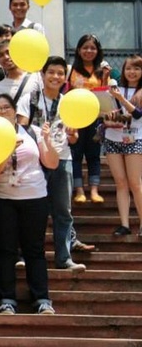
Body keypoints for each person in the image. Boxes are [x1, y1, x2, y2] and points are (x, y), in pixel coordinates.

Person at [0, 94, 58, 315]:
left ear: (14, 110)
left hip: (35, 197)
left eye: (6, 107)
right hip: (4, 198)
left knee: (35, 250)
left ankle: (42, 299)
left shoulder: (32, 132)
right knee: (5, 250)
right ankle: (6, 298)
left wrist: (47, 140)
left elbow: (52, 163)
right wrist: (7, 148)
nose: (2, 112)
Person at [17, 56, 85, 271]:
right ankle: (24, 255)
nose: (55, 77)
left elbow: (73, 138)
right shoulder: (29, 98)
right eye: (51, 72)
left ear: (65, 78)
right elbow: (21, 127)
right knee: (30, 210)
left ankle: (64, 258)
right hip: (35, 161)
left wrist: (73, 135)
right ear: (42, 74)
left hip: (62, 158)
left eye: (60, 73)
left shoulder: (68, 102)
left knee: (63, 211)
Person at [68, 34, 110, 204]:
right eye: (85, 47)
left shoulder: (102, 70)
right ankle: (79, 190)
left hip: (95, 118)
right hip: (75, 118)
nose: (89, 51)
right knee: (76, 154)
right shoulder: (71, 69)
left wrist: (105, 78)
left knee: (93, 155)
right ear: (78, 50)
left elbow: (105, 94)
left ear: (98, 51)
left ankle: (94, 190)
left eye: (92, 48)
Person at [104, 56, 142, 236]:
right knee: (120, 182)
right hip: (113, 137)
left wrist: (120, 98)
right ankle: (125, 224)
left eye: (136, 68)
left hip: (135, 138)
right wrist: (109, 114)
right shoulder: (115, 89)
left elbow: (137, 114)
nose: (132, 72)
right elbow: (104, 109)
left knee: (135, 183)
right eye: (128, 68)